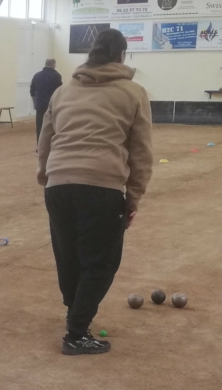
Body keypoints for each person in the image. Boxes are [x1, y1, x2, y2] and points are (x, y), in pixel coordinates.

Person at [36, 29, 152, 356]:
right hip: (102, 188)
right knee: (100, 263)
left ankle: (76, 317)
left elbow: (45, 139)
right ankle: (76, 333)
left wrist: (47, 177)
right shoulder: (134, 92)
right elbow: (141, 152)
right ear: (122, 56)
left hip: (59, 186)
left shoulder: (62, 92)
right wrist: (133, 198)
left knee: (69, 258)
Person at [30, 59, 63, 140]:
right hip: (53, 106)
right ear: (53, 65)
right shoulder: (57, 76)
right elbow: (59, 91)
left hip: (40, 105)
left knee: (39, 127)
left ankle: (39, 145)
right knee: (52, 128)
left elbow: (32, 91)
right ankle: (50, 145)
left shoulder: (37, 75)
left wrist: (35, 102)